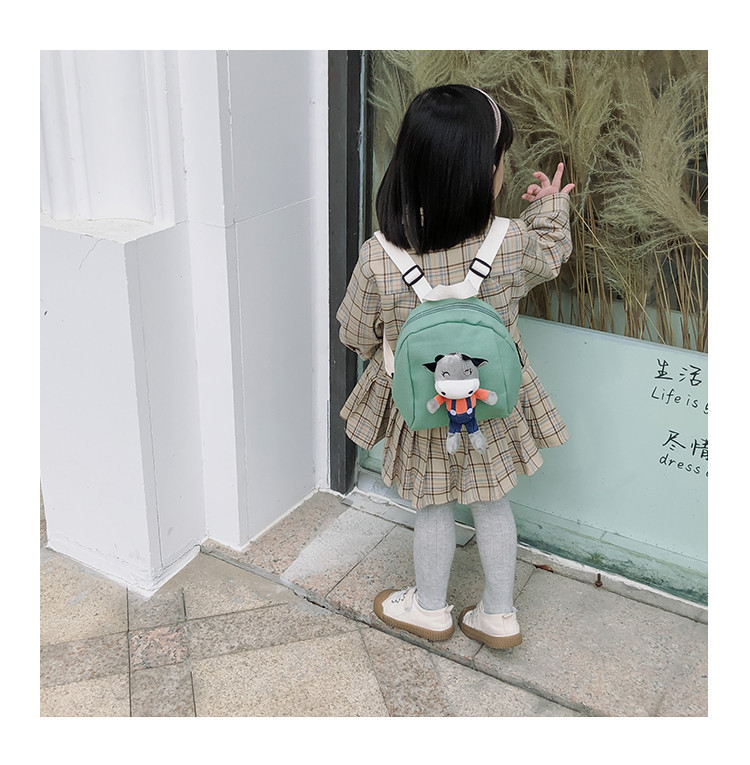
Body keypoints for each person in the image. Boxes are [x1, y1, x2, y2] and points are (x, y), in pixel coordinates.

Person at [337, 84, 574, 649]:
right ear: (485, 173)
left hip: (423, 410)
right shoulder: (510, 241)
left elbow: (355, 334)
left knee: (432, 505)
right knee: (493, 504)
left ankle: (428, 609)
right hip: (492, 407)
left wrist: (393, 353)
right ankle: (499, 615)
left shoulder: (379, 255)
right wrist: (550, 205)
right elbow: (552, 254)